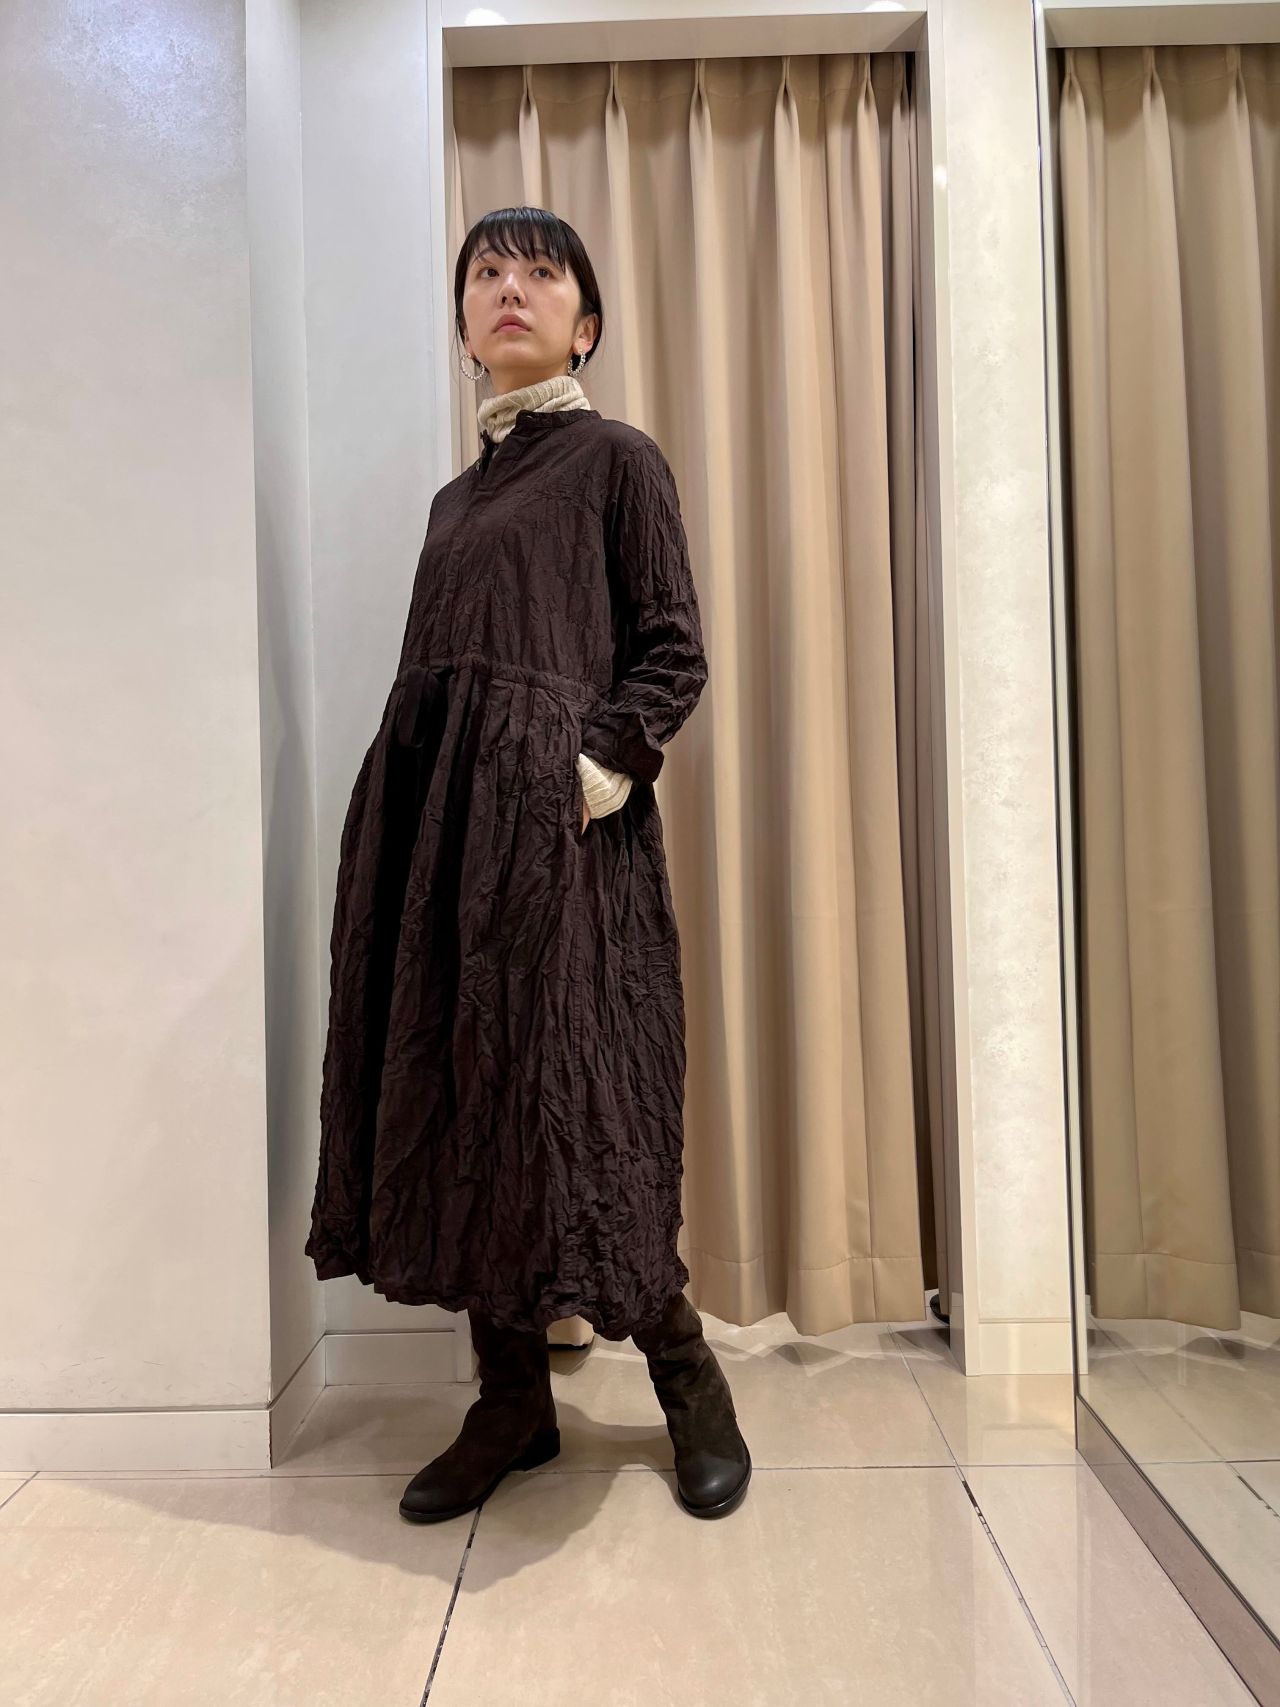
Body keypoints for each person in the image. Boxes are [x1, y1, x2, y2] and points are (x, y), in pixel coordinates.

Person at [305, 204, 750, 1521]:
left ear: (584, 323)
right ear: (463, 325)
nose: (511, 288)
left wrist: (590, 774)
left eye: (541, 273)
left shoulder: (618, 460)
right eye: (487, 273)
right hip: (441, 847)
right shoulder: (454, 502)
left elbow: (671, 647)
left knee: (586, 1101)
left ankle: (688, 1380)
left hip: (561, 847)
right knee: (465, 1097)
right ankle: (511, 1404)